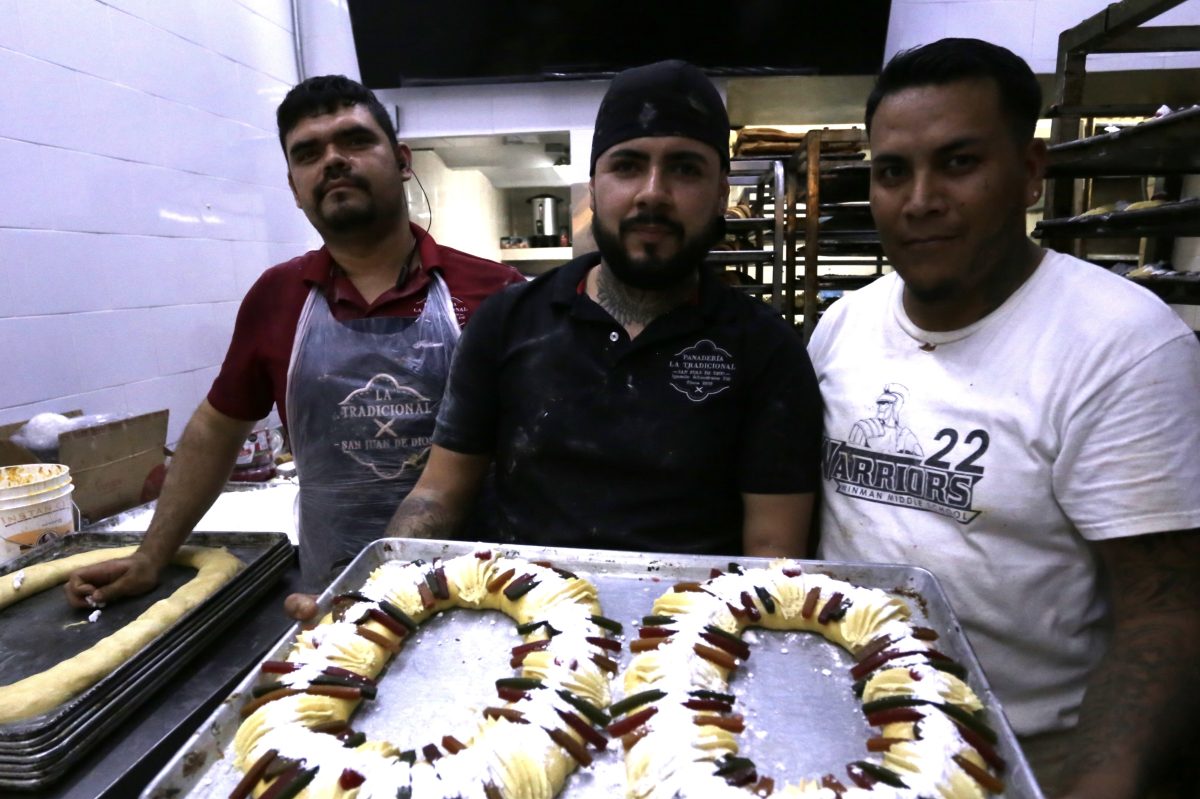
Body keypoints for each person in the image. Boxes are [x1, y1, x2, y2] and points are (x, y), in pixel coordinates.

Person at [807, 37, 1200, 799]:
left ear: (1030, 173)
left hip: (1016, 759)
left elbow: (1164, 608)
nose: (920, 201)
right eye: (892, 171)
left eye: (958, 164)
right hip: (841, 730)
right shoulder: (843, 327)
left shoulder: (1122, 347)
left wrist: (1101, 789)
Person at [66, 74, 525, 605]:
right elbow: (217, 428)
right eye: (308, 152)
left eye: (355, 141)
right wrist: (151, 556)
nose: (332, 160)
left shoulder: (497, 292)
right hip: (326, 597)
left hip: (479, 592)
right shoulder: (277, 297)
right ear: (294, 186)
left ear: (402, 161)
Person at [380, 59, 822, 563]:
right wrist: (382, 587)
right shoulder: (507, 322)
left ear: (721, 193)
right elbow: (438, 496)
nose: (653, 192)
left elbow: (772, 552)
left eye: (685, 168)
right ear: (595, 187)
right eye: (627, 166)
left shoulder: (766, 349)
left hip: (695, 627)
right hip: (519, 618)